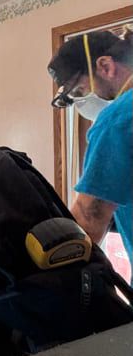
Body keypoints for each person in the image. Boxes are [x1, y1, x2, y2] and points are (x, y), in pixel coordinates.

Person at [48, 28, 133, 267]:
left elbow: (89, 220)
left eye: (80, 92)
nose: (82, 102)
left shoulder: (118, 119)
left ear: (105, 66)